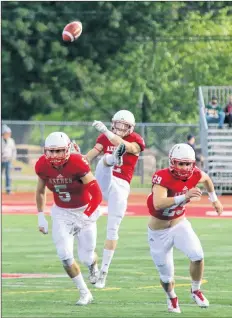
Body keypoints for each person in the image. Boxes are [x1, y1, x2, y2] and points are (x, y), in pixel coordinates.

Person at [146, 143, 223, 313]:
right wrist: (184, 196)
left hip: (179, 223)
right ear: (172, 163)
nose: (185, 167)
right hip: (159, 232)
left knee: (197, 255)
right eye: (181, 163)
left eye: (188, 164)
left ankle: (195, 290)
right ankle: (172, 297)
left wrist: (214, 199)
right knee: (166, 277)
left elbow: (207, 179)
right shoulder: (162, 177)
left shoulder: (195, 174)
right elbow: (158, 203)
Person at [35, 132, 102, 305]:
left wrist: (84, 218)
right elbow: (40, 191)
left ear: (67, 150)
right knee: (64, 255)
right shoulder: (42, 165)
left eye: (59, 151)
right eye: (51, 151)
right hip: (62, 213)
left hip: (84, 211)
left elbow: (97, 195)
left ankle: (93, 265)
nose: (55, 155)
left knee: (86, 256)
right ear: (45, 151)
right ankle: (84, 292)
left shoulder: (78, 163)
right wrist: (40, 215)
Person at [85, 110, 145, 288]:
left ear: (130, 128)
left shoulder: (135, 139)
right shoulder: (104, 138)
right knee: (103, 161)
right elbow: (88, 158)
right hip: (104, 180)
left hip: (121, 186)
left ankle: (103, 271)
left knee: (113, 230)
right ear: (113, 123)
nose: (119, 128)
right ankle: (113, 159)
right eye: (116, 124)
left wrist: (106, 131)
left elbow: (128, 147)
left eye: (123, 125)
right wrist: (75, 156)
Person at [1, 125, 17, 194]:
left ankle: (8, 189)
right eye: (6, 133)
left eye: (9, 133)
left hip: (8, 160)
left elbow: (14, 150)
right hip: (1, 160)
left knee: (8, 175)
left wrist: (13, 158)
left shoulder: (11, 141)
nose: (8, 134)